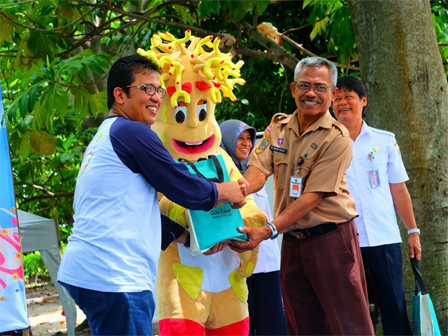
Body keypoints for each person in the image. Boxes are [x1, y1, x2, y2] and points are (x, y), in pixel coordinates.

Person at [57, 54, 247, 336]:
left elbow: (137, 211)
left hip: (93, 271)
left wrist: (189, 238)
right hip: (115, 277)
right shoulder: (131, 131)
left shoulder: (109, 134)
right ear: (119, 95)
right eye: (146, 88)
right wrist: (223, 190)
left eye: (159, 90)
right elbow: (179, 184)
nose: (157, 97)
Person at [230, 56, 375, 336]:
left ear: (332, 94)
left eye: (320, 87)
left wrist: (268, 230)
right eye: (304, 85)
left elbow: (312, 196)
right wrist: (239, 192)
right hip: (293, 243)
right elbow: (259, 168)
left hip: (332, 240)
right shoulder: (279, 127)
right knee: (301, 325)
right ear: (294, 89)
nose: (311, 93)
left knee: (349, 327)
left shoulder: (338, 139)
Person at [332, 75, 422, 335]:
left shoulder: (384, 140)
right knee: (352, 310)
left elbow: (398, 188)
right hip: (345, 240)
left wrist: (412, 231)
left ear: (363, 101)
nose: (342, 103)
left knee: (393, 305)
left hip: (384, 237)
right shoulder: (326, 143)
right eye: (337, 98)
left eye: (349, 97)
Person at [220, 119, 287, 336]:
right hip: (236, 265)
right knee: (245, 327)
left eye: (249, 138)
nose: (246, 143)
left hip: (267, 262)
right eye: (240, 138)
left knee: (274, 326)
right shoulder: (219, 175)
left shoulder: (257, 170)